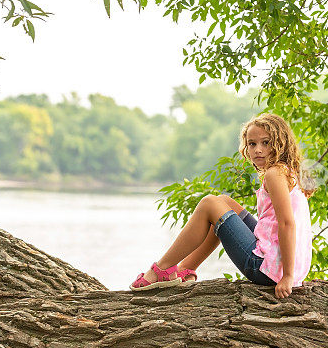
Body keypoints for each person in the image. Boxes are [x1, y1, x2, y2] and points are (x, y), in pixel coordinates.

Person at [130, 113, 314, 299]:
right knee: (224, 202)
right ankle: (185, 269)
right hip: (280, 267)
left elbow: (287, 224)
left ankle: (161, 270)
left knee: (209, 203)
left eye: (265, 143)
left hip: (264, 269)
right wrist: (290, 274)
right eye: (252, 144)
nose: (258, 149)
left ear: (281, 143)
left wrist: (287, 277)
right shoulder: (288, 173)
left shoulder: (274, 174)